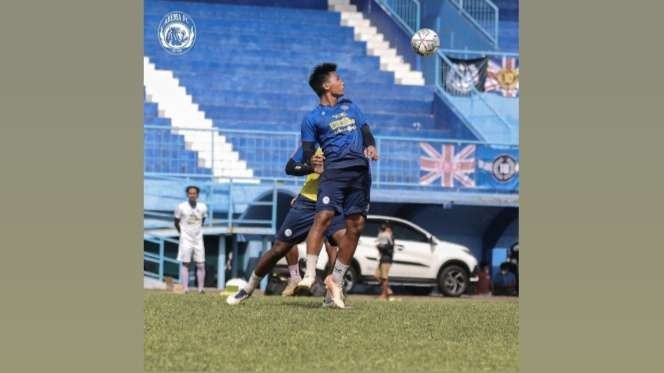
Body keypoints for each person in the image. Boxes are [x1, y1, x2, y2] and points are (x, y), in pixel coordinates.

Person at [297, 63, 379, 309]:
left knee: (356, 227)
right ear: (326, 86)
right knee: (322, 218)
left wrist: (371, 146)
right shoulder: (312, 118)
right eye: (338, 79)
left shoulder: (351, 106)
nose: (342, 82)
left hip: (360, 172)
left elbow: (366, 132)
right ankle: (310, 275)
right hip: (334, 172)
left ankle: (335, 280)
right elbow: (308, 151)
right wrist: (313, 161)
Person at [226, 147, 346, 305]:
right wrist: (310, 167)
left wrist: (329, 170)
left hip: (334, 200)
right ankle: (248, 288)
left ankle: (332, 294)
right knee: (279, 247)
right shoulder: (311, 141)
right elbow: (290, 167)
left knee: (335, 246)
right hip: (307, 201)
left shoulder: (346, 142)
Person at [174, 185, 208, 294]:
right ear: (187, 194)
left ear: (197, 195)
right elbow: (176, 222)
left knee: (201, 264)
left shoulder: (203, 207)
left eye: (194, 193)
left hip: (198, 238)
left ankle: (201, 289)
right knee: (186, 263)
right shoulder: (181, 207)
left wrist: (196, 231)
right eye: (190, 193)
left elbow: (203, 220)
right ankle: (185, 289)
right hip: (186, 238)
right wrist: (182, 233)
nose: (192, 195)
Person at [374, 223, 394, 300]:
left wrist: (380, 246)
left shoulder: (390, 237)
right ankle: (388, 290)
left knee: (384, 278)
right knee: (376, 275)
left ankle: (384, 295)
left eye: (386, 229)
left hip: (387, 259)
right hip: (382, 259)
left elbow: (389, 248)